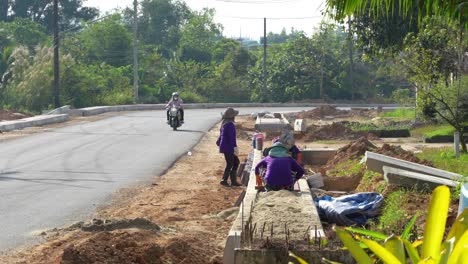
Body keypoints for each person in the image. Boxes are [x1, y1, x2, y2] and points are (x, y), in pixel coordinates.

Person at [217, 107, 241, 187]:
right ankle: (224, 180)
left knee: (235, 162)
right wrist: (234, 147)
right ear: (232, 116)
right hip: (228, 147)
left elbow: (221, 136)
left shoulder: (224, 123)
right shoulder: (230, 125)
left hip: (224, 146)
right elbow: (231, 138)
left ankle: (233, 181)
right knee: (231, 163)